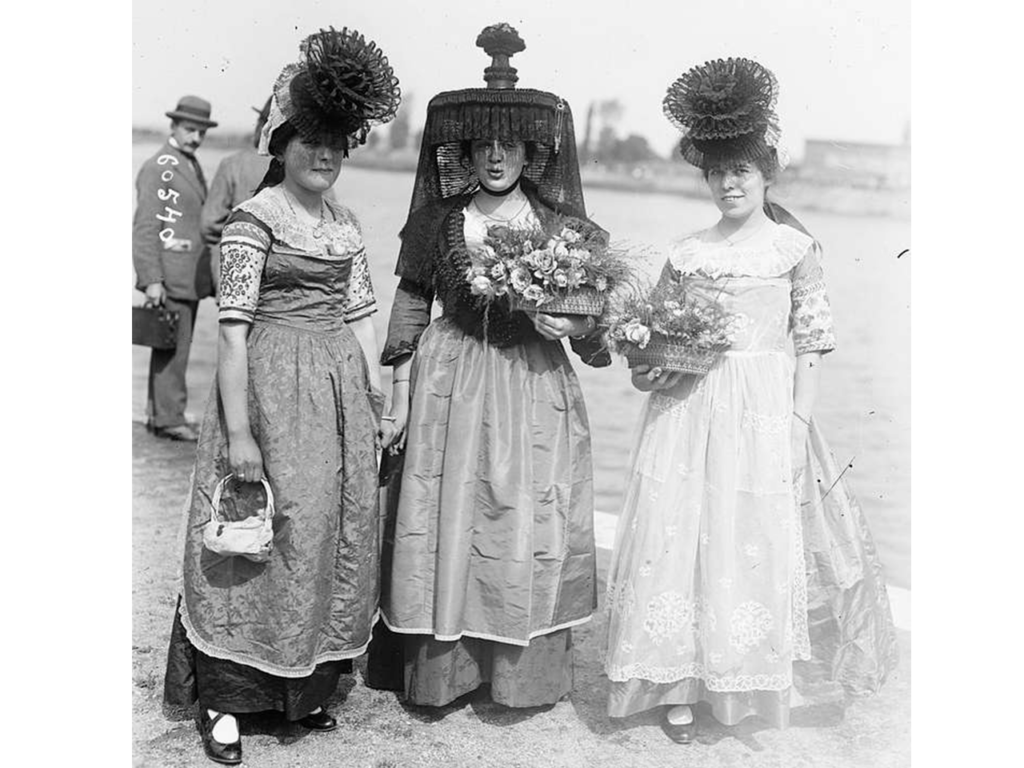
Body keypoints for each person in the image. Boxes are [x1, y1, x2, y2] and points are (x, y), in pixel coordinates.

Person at [603, 58, 898, 743]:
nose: (729, 183)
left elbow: (811, 344)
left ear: (767, 174)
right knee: (680, 539)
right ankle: (677, 685)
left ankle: (742, 687)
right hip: (687, 414)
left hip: (763, 413)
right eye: (717, 172)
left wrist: (796, 425)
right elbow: (662, 336)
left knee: (751, 543)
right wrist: (645, 357)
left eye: (742, 170)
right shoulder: (688, 252)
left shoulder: (793, 249)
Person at [162, 27, 401, 765]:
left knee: (326, 528)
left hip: (333, 400)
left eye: (335, 144)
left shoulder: (346, 225)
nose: (323, 156)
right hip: (269, 388)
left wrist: (377, 399)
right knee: (260, 532)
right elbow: (231, 336)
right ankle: (229, 703)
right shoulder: (253, 222)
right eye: (309, 143)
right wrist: (240, 433)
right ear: (281, 145)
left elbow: (362, 318)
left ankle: (302, 691)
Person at [367, 23, 609, 709]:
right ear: (466, 151)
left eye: (510, 144)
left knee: (522, 517)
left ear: (532, 150)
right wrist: (397, 394)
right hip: (451, 379)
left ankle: (517, 674)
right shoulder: (438, 220)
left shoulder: (564, 228)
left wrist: (578, 325)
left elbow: (596, 336)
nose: (497, 156)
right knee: (449, 514)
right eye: (484, 144)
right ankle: (445, 668)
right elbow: (412, 306)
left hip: (533, 382)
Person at [133, 95, 218, 441]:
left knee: (169, 344)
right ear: (174, 126)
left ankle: (161, 414)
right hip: (171, 275)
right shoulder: (161, 166)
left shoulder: (186, 162)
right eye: (189, 129)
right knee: (173, 346)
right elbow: (145, 228)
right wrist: (152, 279)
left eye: (201, 131)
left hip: (185, 275)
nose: (195, 137)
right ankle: (169, 418)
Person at [200, 97, 273, 296]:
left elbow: (209, 223)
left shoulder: (233, 164)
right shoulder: (308, 169)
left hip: (236, 279)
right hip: (286, 288)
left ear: (261, 126)